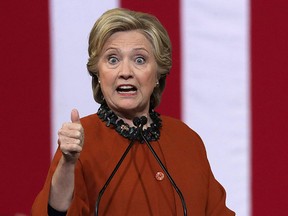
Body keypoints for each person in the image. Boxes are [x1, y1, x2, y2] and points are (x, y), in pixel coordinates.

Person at [32, 8, 235, 216]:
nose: (125, 72)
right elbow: (54, 213)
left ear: (158, 73)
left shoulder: (186, 140)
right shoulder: (81, 140)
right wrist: (67, 164)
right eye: (112, 59)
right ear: (98, 73)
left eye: (139, 60)